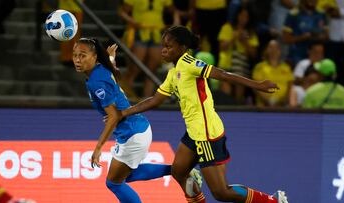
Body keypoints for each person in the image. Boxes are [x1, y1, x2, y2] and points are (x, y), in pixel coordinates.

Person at [121, 25, 289, 203]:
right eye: (163, 45)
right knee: (179, 171)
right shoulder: (173, 73)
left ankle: (273, 201)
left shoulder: (190, 64)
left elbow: (223, 75)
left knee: (221, 192)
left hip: (206, 134)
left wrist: (258, 85)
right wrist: (125, 112)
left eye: (169, 46)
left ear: (182, 48)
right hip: (194, 132)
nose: (163, 50)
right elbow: (155, 100)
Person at [72, 37, 201, 203]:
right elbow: (111, 69)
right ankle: (180, 170)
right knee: (128, 175)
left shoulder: (96, 82)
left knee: (114, 183)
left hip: (132, 134)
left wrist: (98, 149)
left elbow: (114, 117)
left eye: (82, 55)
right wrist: (110, 58)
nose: (77, 60)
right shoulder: (101, 69)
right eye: (75, 55)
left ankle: (180, 170)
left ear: (95, 57)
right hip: (138, 129)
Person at [252, 39, 294, 107]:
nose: (273, 50)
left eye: (276, 47)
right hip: (264, 106)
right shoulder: (260, 67)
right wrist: (267, 101)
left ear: (280, 50)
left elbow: (290, 87)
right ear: (266, 50)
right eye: (271, 47)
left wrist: (282, 101)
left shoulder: (286, 68)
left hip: (282, 106)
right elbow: (255, 86)